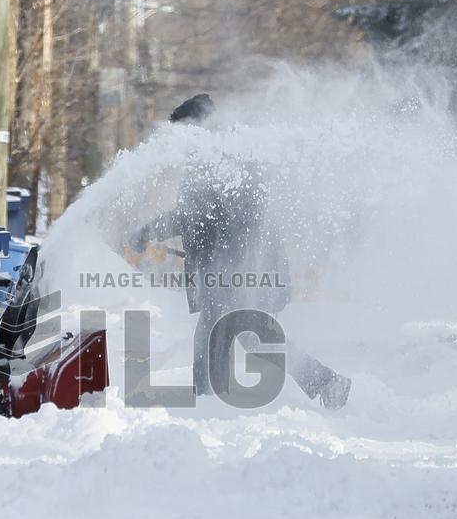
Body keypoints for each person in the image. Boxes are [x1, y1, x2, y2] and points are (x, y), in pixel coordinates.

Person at [131, 94, 352, 409]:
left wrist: (147, 232)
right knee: (248, 336)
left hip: (240, 270)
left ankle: (206, 403)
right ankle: (325, 382)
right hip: (237, 269)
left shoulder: (217, 160)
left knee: (223, 336)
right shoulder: (221, 156)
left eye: (184, 132)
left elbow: (193, 215)